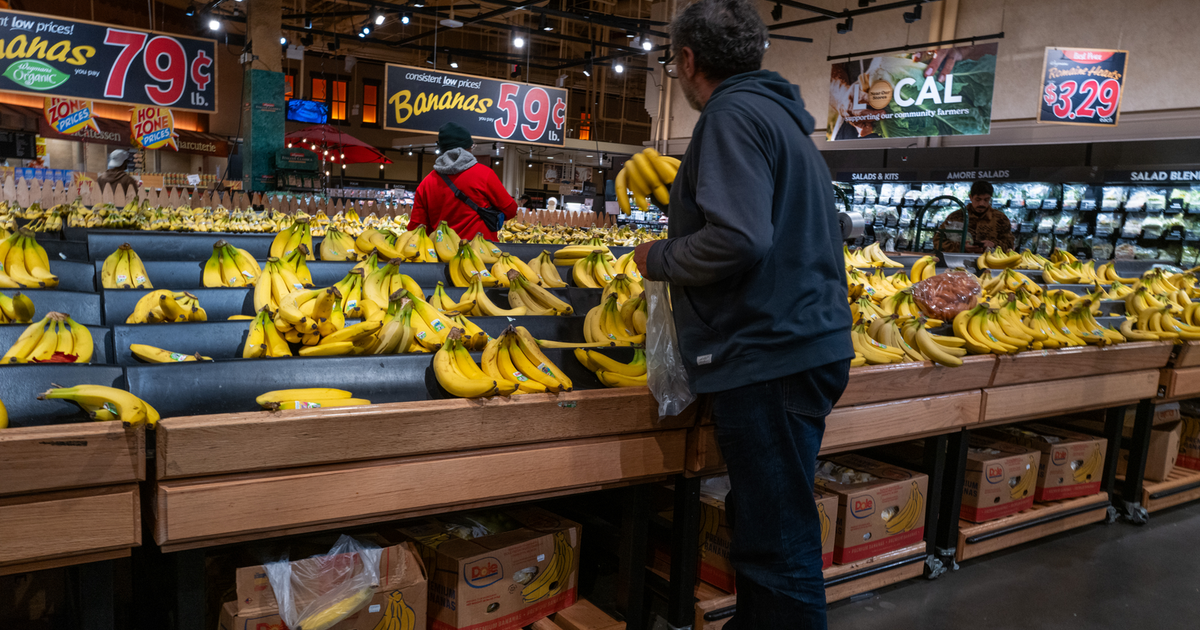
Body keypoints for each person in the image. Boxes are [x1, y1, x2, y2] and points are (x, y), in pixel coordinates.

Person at [632, 0, 852, 627]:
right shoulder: (781, 118)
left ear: (688, 59)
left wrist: (658, 256)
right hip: (799, 345)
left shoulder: (730, 116)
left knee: (777, 545)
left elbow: (740, 238)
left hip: (769, 355)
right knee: (765, 530)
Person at [408, 123, 517, 241]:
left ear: (442, 150)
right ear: (468, 148)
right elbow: (510, 210)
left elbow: (415, 228)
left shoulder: (426, 183)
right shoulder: (485, 174)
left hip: (441, 249)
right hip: (481, 249)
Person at [933, 180, 1014, 253]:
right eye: (978, 199)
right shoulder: (955, 217)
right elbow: (938, 241)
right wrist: (960, 247)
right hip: (959, 262)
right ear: (970, 197)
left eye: (986, 200)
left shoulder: (1000, 218)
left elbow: (1010, 244)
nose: (981, 203)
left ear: (990, 198)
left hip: (991, 262)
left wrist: (994, 245)